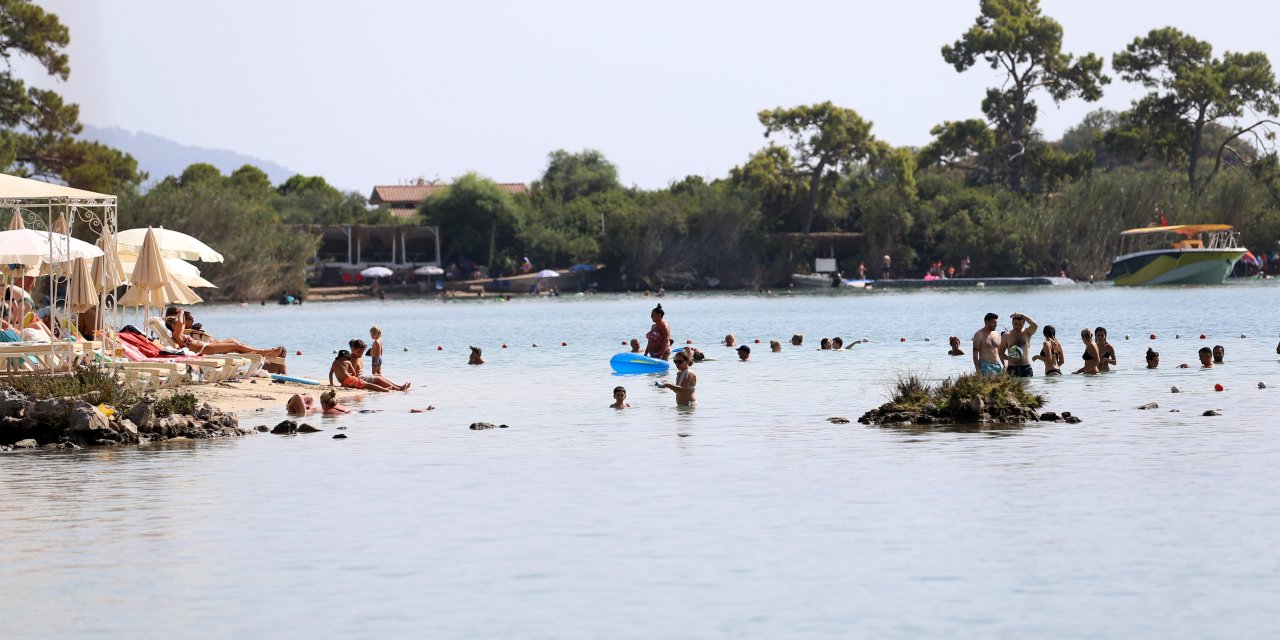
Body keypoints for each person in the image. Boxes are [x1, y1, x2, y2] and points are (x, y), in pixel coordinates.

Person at [165, 309, 286, 359]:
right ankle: (263, 351)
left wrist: (180, 315)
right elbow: (181, 322)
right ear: (173, 326)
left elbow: (182, 322)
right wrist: (180, 312)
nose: (179, 324)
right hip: (205, 349)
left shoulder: (179, 334)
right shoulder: (176, 335)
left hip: (207, 346)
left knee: (233, 341)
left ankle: (261, 353)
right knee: (234, 345)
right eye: (176, 323)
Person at [346, 340, 410, 391]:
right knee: (378, 378)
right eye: (358, 352)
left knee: (378, 376)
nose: (360, 354)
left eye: (362, 352)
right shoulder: (353, 359)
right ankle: (398, 389)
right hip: (358, 379)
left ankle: (398, 386)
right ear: (353, 350)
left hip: (362, 377)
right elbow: (352, 374)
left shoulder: (358, 357)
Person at [1001, 312, 1039, 377]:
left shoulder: (1027, 332)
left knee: (1027, 387)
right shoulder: (1006, 335)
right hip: (1012, 368)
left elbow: (1035, 325)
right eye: (1015, 324)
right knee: (1012, 387)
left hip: (1026, 368)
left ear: (1024, 324)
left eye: (1020, 324)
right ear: (1012, 323)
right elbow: (1000, 352)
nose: (1017, 326)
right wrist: (1008, 358)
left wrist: (1023, 315)